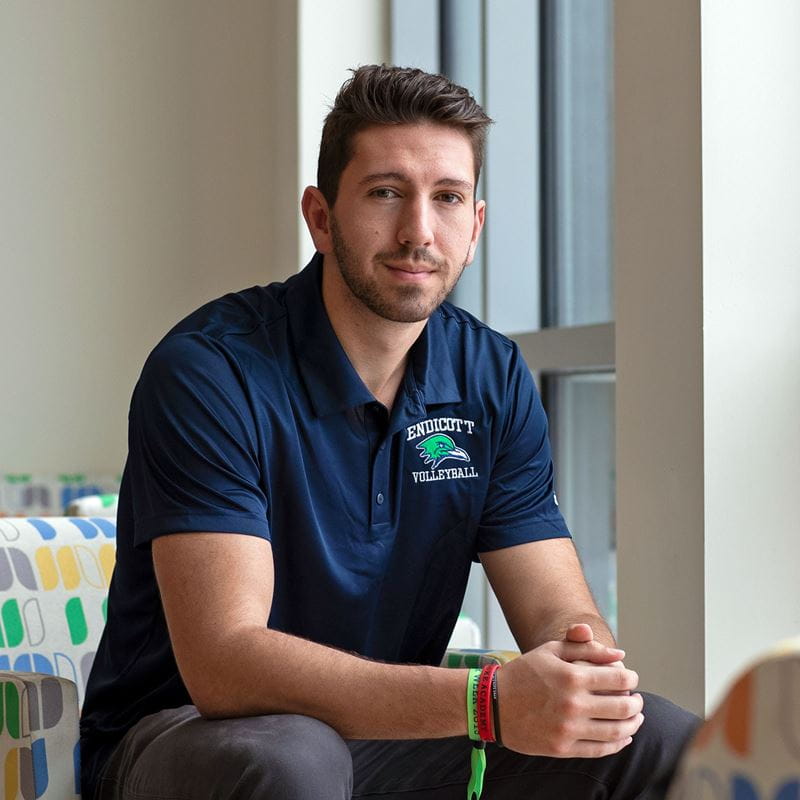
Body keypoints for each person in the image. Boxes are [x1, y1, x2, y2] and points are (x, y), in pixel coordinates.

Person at [80, 64, 698, 800]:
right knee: (295, 757)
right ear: (319, 217)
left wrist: (582, 677)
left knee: (658, 738)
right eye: (385, 193)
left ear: (475, 226)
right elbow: (226, 664)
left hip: (388, 742)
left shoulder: (490, 377)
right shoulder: (210, 372)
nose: (418, 233)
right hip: (187, 741)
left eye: (447, 199)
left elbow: (557, 611)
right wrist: (487, 701)